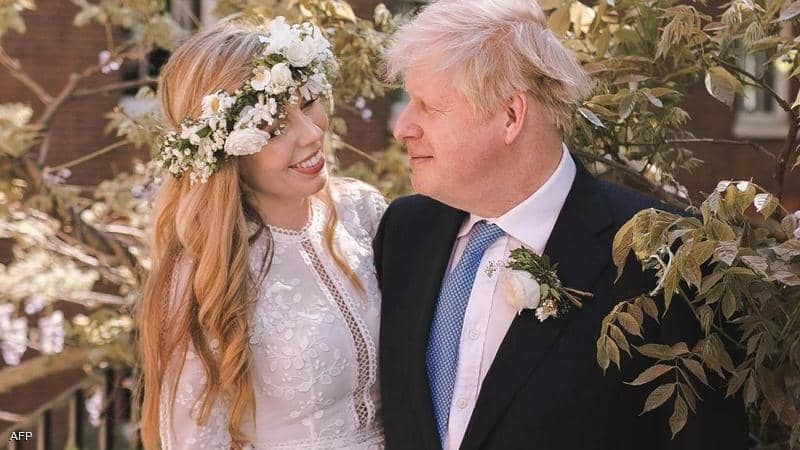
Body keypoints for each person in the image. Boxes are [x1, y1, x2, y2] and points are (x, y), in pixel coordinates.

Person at [374, 1, 748, 449]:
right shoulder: (405, 232)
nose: (402, 127)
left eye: (429, 107)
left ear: (511, 116)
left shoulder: (660, 253)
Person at [136, 16, 387, 450]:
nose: (311, 133)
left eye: (309, 102)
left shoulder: (364, 211)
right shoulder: (201, 275)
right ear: (225, 152)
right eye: (274, 129)